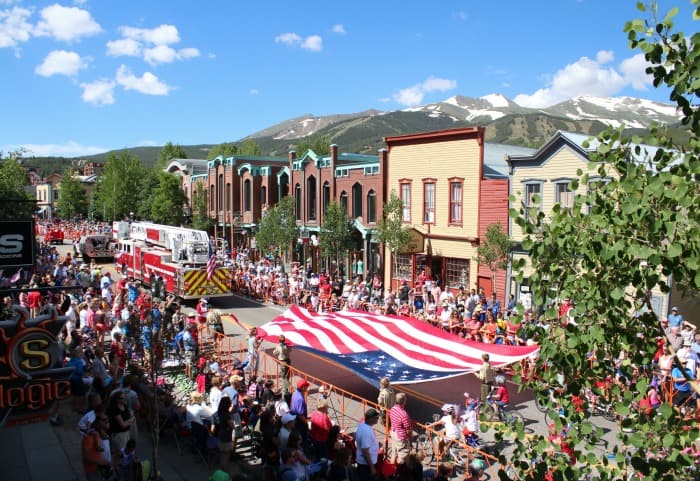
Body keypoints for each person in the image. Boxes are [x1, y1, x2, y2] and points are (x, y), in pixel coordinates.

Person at [82, 413, 112, 481]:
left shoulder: (104, 433)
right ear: (98, 422)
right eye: (104, 420)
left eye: (107, 419)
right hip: (94, 469)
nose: (107, 421)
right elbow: (86, 456)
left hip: (103, 467)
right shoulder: (91, 437)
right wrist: (101, 463)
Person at [356, 408, 381, 481]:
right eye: (376, 418)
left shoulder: (363, 425)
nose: (377, 419)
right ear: (371, 419)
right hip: (366, 466)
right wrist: (372, 467)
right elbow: (365, 451)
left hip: (364, 464)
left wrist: (375, 443)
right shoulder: (366, 431)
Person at [389, 392, 412, 465]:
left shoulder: (393, 409)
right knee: (402, 456)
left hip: (393, 432)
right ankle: (399, 473)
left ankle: (391, 472)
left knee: (394, 453)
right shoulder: (404, 414)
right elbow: (408, 430)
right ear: (404, 402)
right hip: (400, 437)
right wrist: (410, 441)